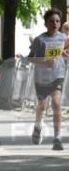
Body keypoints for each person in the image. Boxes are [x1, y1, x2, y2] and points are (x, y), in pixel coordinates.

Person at [28, 8, 67, 150]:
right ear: (46, 23)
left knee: (56, 103)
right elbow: (30, 58)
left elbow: (62, 52)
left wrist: (64, 55)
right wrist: (44, 62)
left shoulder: (63, 38)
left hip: (58, 76)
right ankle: (38, 125)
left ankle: (57, 137)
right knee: (43, 106)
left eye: (57, 21)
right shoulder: (40, 40)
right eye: (51, 21)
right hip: (41, 78)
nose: (55, 23)